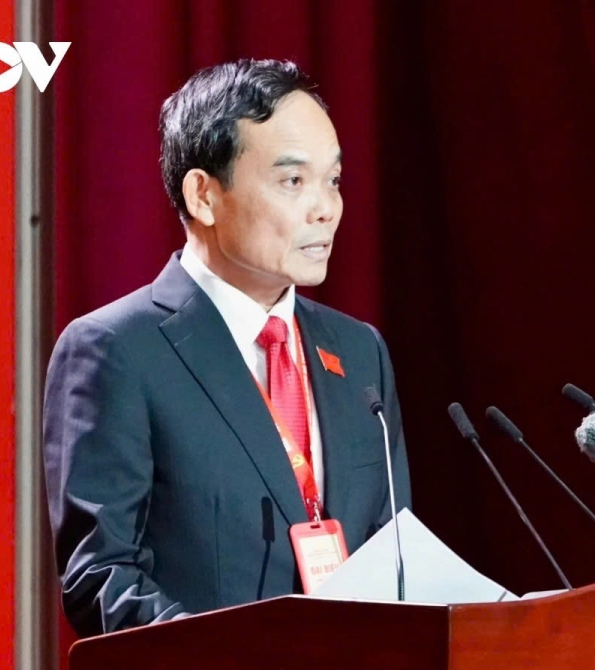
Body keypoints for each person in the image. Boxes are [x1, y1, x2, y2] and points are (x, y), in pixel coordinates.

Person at [42, 59, 411, 637]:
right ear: (204, 195)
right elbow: (101, 578)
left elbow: (396, 558)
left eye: (333, 180)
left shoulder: (359, 351)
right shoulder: (116, 350)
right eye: (293, 181)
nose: (327, 208)